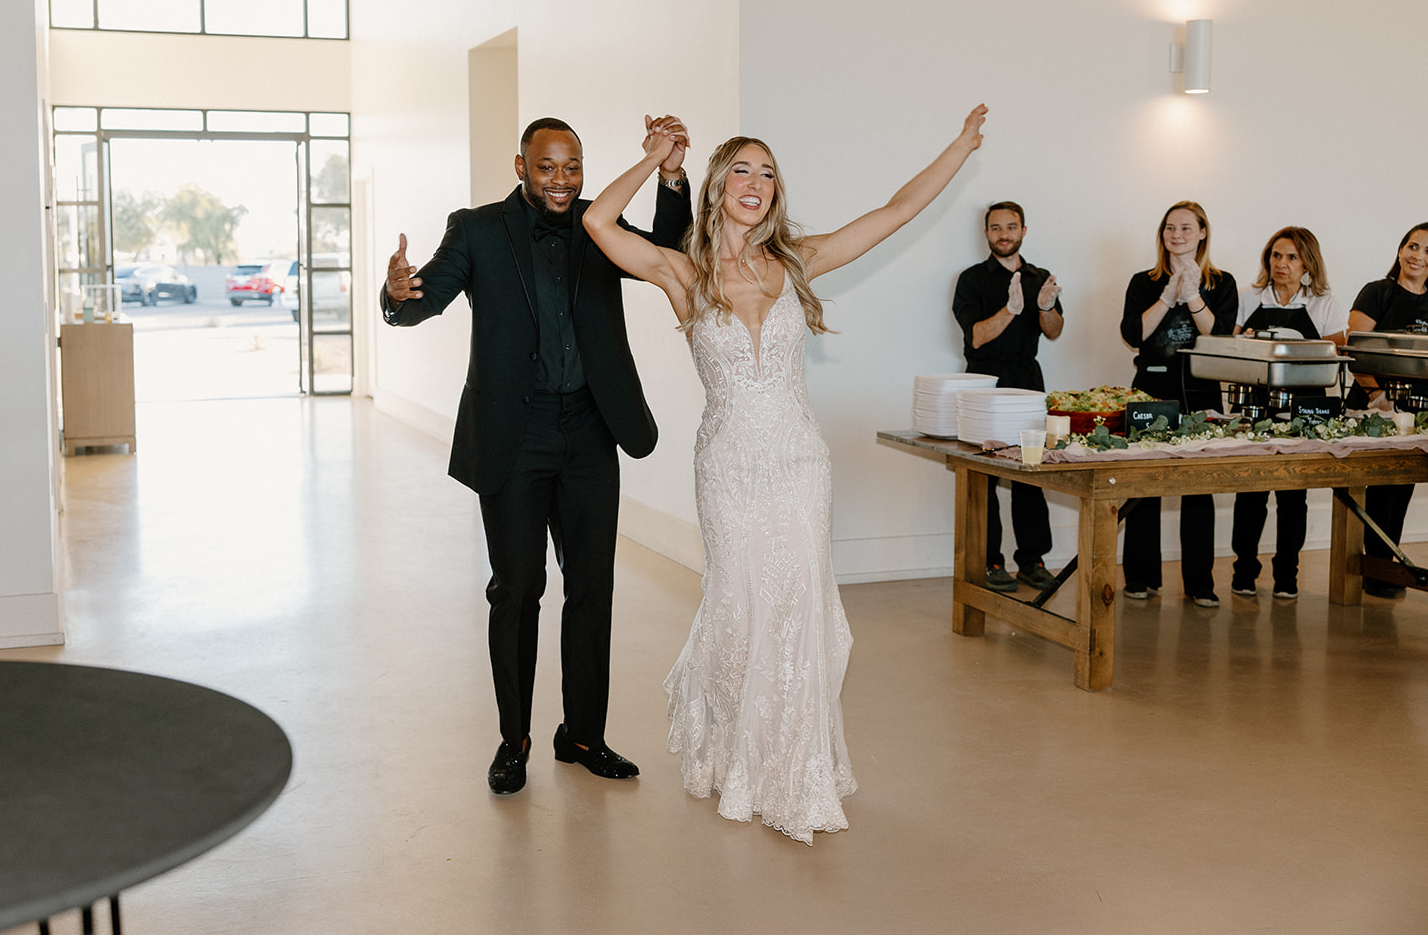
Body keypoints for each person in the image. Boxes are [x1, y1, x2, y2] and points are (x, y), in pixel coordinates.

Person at [579, 105, 989, 843]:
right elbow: (601, 224)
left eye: (768, 172)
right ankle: (736, 748)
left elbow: (895, 211)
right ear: (715, 186)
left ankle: (790, 768)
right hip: (730, 465)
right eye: (741, 167)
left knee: (798, 609)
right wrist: (653, 156)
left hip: (800, 461)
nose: (756, 181)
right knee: (739, 604)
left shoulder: (798, 261)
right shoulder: (683, 270)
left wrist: (957, 148)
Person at [380, 115, 693, 795]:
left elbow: (670, 251)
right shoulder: (478, 230)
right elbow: (418, 302)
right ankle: (514, 737)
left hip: (589, 428)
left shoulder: (598, 225)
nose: (562, 180)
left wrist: (670, 175)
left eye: (572, 167)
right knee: (516, 591)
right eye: (547, 167)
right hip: (513, 437)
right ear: (521, 166)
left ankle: (582, 733)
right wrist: (395, 294)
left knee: (592, 588)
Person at [1118, 201, 1237, 606]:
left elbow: (1219, 338)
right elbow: (1134, 334)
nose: (1177, 235)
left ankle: (1200, 583)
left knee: (1199, 490)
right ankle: (1140, 577)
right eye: (1170, 227)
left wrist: (1194, 297)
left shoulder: (1222, 283)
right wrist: (1169, 296)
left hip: (1201, 392)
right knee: (1144, 485)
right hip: (1151, 391)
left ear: (1203, 232)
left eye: (1187, 228)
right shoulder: (1144, 281)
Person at [951, 201, 1064, 592]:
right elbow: (977, 336)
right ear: (986, 234)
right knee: (985, 476)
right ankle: (988, 561)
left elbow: (1053, 331)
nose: (1004, 234)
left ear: (1023, 230)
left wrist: (1045, 307)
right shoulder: (971, 280)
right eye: (996, 227)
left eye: (1011, 226)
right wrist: (1011, 310)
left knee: (1031, 473)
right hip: (984, 384)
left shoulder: (1040, 277)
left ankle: (1032, 560)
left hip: (1028, 382)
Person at [1229, 227, 1347, 599]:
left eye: (1292, 257)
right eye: (1276, 256)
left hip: (1304, 409)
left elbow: (1336, 359)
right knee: (1250, 493)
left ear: (1308, 262)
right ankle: (1244, 570)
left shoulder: (1324, 304)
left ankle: (1287, 575)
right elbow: (1231, 352)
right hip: (1254, 405)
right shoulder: (1248, 298)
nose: (1282, 264)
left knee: (1294, 497)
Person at [1346, 223, 1428, 598]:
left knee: (1401, 490)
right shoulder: (1377, 292)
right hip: (1374, 408)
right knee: (1377, 491)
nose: (1418, 256)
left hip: (1416, 414)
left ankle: (1385, 568)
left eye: (1427, 252)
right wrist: (1379, 396)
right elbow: (1356, 351)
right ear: (1400, 250)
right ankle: (1376, 569)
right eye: (1412, 246)